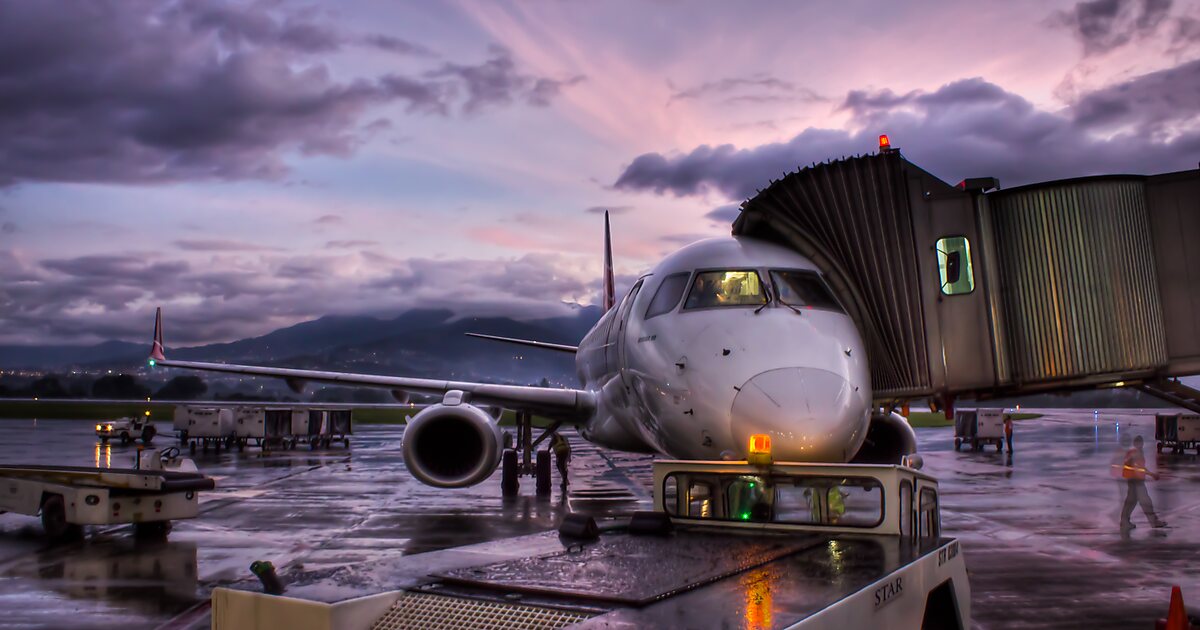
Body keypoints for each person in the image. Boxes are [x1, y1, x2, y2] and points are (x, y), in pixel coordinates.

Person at [1120, 436, 1167, 530]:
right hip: (1135, 481)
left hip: (1137, 481)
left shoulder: (1139, 453)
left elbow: (1141, 467)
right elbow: (1129, 464)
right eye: (1138, 443)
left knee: (1131, 502)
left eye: (1141, 443)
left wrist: (1151, 474)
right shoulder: (1133, 453)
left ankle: (1125, 521)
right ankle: (1153, 522)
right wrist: (1151, 474)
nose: (1140, 445)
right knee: (1144, 502)